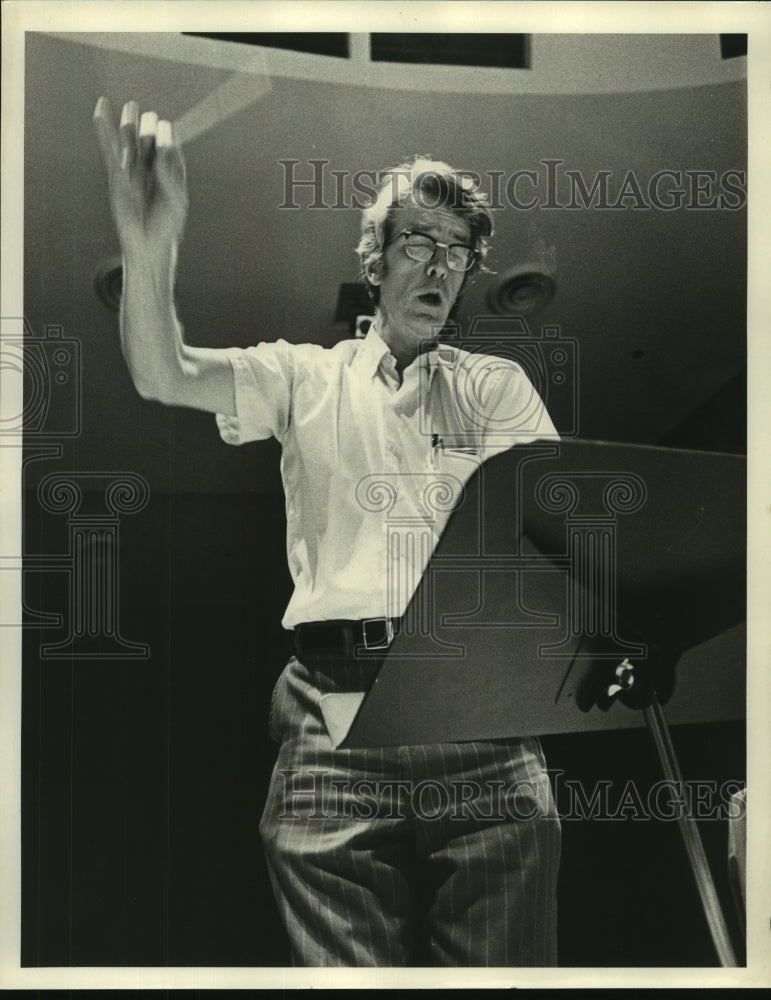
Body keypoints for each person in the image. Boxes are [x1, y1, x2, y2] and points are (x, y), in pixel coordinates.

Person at [93, 97, 562, 967]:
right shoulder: (304, 377)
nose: (438, 268)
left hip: (481, 713)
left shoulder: (496, 388)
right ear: (375, 262)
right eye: (417, 244)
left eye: (455, 254)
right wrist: (148, 241)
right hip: (332, 714)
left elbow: (555, 541)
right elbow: (162, 373)